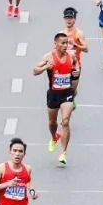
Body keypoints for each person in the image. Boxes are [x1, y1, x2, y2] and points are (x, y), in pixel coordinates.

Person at [33, 33, 77, 166]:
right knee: (52, 123)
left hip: (67, 94)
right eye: (62, 43)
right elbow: (35, 70)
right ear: (56, 44)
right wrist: (46, 67)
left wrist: (76, 72)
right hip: (53, 94)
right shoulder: (48, 57)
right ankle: (54, 137)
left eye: (67, 43)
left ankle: (63, 152)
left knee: (65, 122)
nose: (65, 45)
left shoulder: (72, 55)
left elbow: (76, 67)